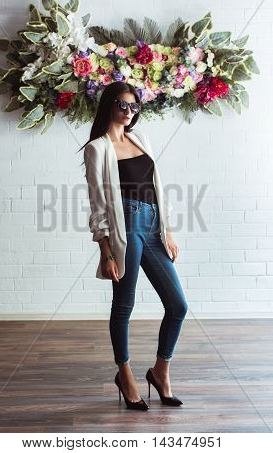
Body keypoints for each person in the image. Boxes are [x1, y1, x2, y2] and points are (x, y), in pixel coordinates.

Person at [79, 81, 188, 410]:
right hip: (125, 227)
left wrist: (166, 230)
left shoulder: (141, 138)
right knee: (124, 305)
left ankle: (160, 371)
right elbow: (98, 205)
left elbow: (157, 186)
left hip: (153, 226)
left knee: (178, 305)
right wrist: (106, 250)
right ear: (109, 106)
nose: (128, 113)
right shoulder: (97, 148)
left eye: (133, 107)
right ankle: (125, 375)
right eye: (122, 106)